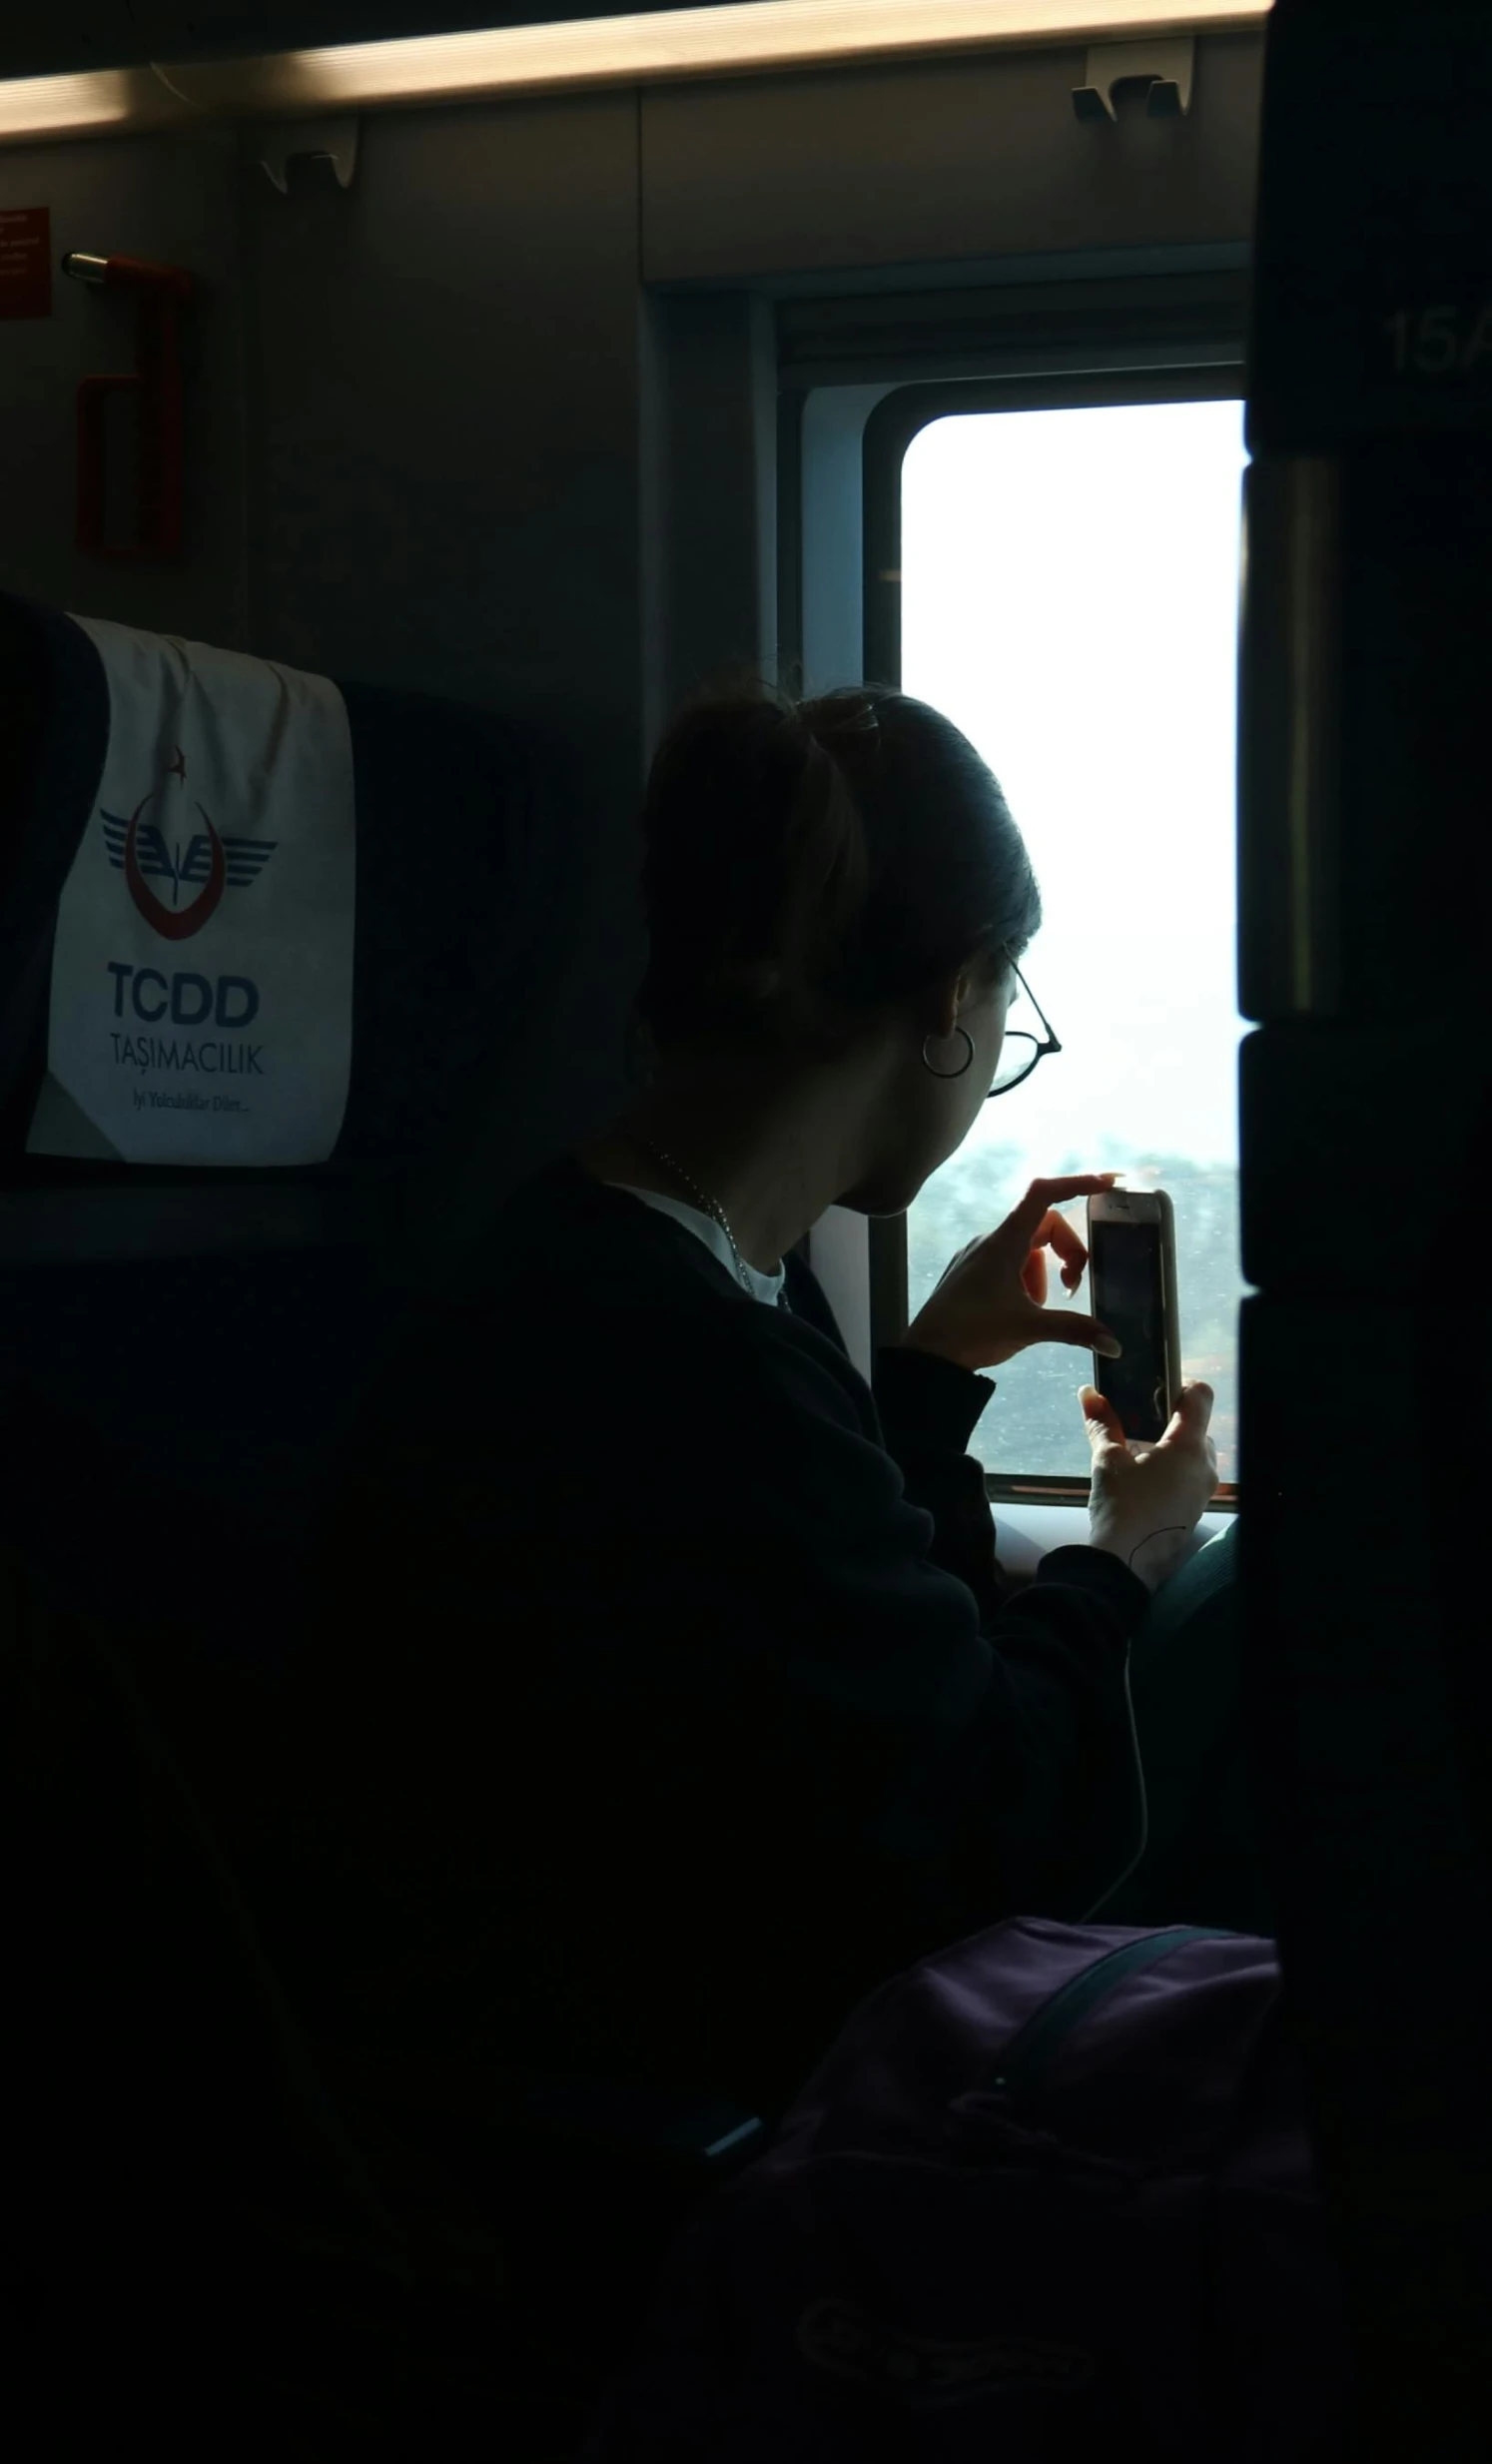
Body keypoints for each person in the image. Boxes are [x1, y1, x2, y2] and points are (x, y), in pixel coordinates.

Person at [225, 681, 1222, 2127]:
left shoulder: (650, 1261)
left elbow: (849, 1653)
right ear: (952, 998)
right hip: (616, 2121)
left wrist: (934, 1377)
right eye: (1010, 1002)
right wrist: (1118, 1556)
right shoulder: (683, 1356)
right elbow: (987, 1820)